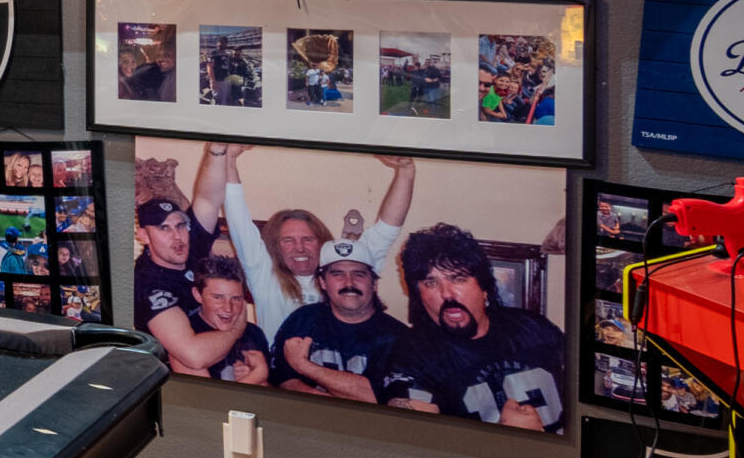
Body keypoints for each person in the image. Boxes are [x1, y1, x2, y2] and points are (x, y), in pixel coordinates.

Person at [205, 147, 411, 346]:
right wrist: (230, 160)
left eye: (308, 239)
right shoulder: (265, 276)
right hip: (279, 368)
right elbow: (238, 219)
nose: (299, 248)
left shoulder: (345, 271)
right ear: (276, 247)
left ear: (322, 242)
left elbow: (387, 230)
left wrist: (406, 171)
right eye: (288, 241)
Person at [376, 224, 568, 430]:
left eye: (458, 279)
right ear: (419, 295)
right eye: (431, 283)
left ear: (484, 288)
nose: (446, 294)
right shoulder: (413, 354)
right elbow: (411, 433)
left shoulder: (533, 326)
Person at [273, 238, 414, 401]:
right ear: (323, 282)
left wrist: (303, 365)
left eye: (359, 274)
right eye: (337, 274)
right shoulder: (302, 319)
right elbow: (283, 379)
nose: (349, 283)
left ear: (374, 284)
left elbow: (376, 397)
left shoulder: (400, 338)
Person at [133, 194, 248, 372]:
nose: (177, 236)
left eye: (180, 226)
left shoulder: (188, 245)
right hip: (176, 371)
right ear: (144, 236)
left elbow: (208, 198)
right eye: (164, 228)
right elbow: (194, 356)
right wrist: (236, 329)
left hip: (220, 346)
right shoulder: (147, 284)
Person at [186, 261, 272, 384]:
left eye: (236, 299)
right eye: (218, 297)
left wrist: (254, 377)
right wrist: (258, 374)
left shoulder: (254, 333)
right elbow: (202, 394)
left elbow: (271, 390)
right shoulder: (186, 336)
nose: (228, 308)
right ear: (198, 295)